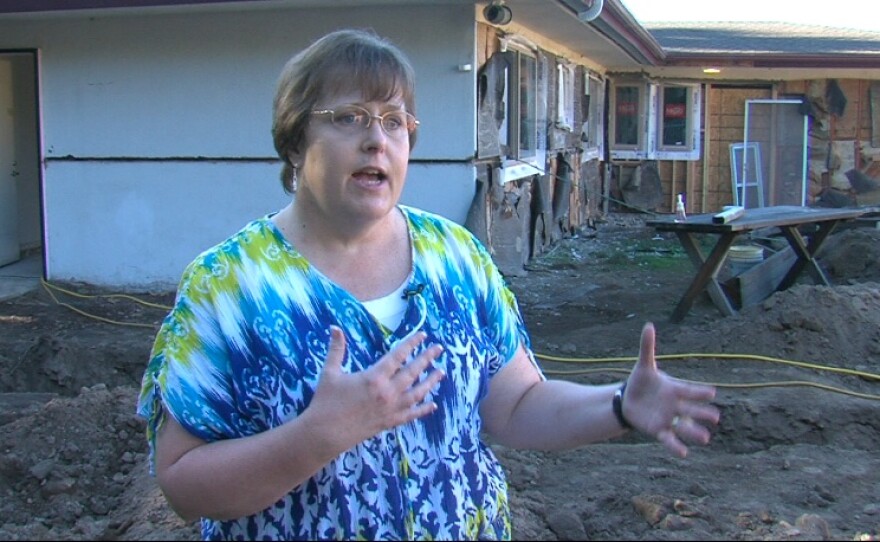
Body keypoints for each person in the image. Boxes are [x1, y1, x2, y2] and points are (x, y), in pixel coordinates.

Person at [137, 28, 720, 541]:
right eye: (350, 118)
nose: (378, 140)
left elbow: (516, 406)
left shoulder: (456, 258)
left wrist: (616, 406)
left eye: (395, 122)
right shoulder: (229, 287)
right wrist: (317, 436)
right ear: (294, 141)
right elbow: (184, 485)